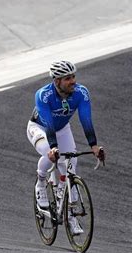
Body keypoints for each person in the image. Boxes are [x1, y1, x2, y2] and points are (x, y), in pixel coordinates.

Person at [26, 60, 105, 235]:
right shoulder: (43, 95)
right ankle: (40, 183)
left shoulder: (81, 93)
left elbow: (86, 120)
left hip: (62, 130)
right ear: (57, 81)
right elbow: (48, 124)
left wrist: (94, 146)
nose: (73, 81)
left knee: (71, 166)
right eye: (68, 78)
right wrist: (54, 148)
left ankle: (69, 214)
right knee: (50, 153)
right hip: (40, 128)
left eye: (74, 76)